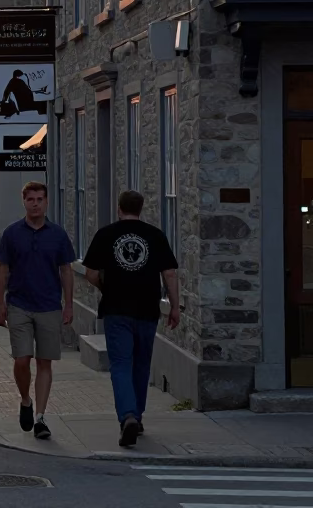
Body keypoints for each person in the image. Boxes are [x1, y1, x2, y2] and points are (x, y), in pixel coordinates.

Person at [83, 190, 180, 448]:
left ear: (118, 208)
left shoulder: (105, 235)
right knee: (141, 364)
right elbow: (169, 273)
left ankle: (127, 415)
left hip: (116, 309)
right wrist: (175, 306)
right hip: (148, 308)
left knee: (121, 365)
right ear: (141, 209)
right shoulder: (155, 235)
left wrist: (106, 287)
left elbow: (90, 273)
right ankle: (137, 415)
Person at [0, 181, 76, 440]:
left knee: (44, 362)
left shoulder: (58, 235)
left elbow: (66, 270)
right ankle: (25, 399)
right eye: (31, 199)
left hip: (49, 305)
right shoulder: (12, 233)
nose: (36, 204)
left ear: (47, 202)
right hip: (19, 304)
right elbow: (2, 269)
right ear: (24, 202)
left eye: (40, 199)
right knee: (21, 359)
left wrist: (69, 304)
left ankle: (40, 417)